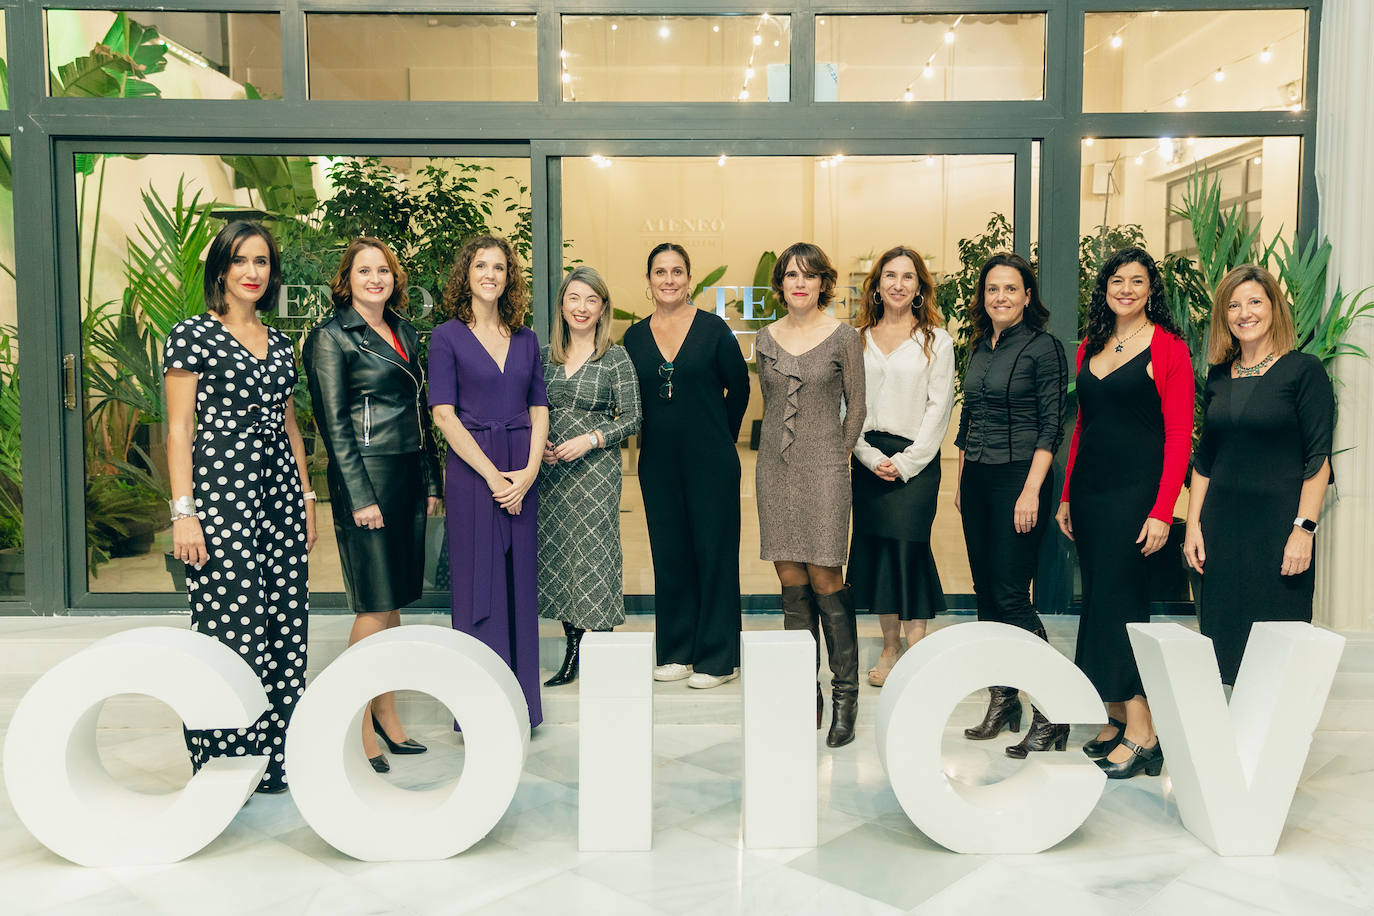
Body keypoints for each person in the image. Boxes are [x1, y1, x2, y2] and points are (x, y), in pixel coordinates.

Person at [164, 220, 316, 793]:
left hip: (277, 491)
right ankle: (226, 762)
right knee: (231, 624)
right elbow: (178, 431)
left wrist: (305, 496)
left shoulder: (280, 343)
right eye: (242, 262)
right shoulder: (191, 336)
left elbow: (290, 426)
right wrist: (184, 512)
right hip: (220, 491)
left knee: (283, 622)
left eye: (262, 263)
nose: (254, 273)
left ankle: (277, 759)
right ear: (222, 270)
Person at [1055, 248, 1193, 779]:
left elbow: (1179, 435)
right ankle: (1114, 714)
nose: (1127, 289)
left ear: (1151, 290)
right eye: (1118, 280)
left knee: (1122, 605)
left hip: (1136, 495)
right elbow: (1084, 427)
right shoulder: (1092, 344)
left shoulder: (1169, 348)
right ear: (1105, 289)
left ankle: (1144, 731)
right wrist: (1067, 495)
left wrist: (1163, 511)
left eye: (1138, 281)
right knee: (1099, 601)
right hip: (1090, 493)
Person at [304, 237, 440, 773]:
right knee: (373, 603)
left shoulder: (404, 331)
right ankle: (355, 720)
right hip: (368, 474)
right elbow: (333, 425)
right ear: (347, 279)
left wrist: (432, 481)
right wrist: (360, 496)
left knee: (394, 601)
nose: (375, 279)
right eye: (365, 271)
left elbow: (421, 411)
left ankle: (387, 712)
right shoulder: (331, 337)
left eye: (383, 270)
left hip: (407, 472)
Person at [1185, 265, 1334, 686]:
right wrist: (1193, 526)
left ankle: (1276, 748)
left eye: (1254, 302)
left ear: (1274, 308)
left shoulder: (1304, 371)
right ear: (1224, 316)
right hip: (1221, 532)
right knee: (1223, 647)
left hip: (1278, 532)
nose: (1244, 313)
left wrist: (1303, 530)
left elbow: (1317, 459)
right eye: (1233, 305)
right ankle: (1235, 743)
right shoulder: (1218, 375)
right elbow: (1205, 458)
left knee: (1276, 649)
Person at [428, 235, 549, 728]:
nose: (490, 274)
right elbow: (443, 415)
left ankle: (522, 707)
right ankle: (479, 711)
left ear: (508, 278)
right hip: (474, 472)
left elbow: (540, 407)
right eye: (481, 265)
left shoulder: (526, 338)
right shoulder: (446, 337)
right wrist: (493, 477)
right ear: (467, 274)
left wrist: (529, 471)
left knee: (520, 583)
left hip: (522, 467)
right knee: (479, 586)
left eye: (499, 267)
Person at [955, 252, 1068, 758]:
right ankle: (1004, 699)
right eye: (992, 289)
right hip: (978, 478)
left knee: (1011, 596)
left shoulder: (1045, 348)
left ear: (1027, 296)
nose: (1000, 297)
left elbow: (1052, 425)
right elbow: (969, 421)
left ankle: (1053, 709)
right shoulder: (979, 346)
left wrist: (1030, 490)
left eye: (1010, 289)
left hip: (1021, 478)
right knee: (986, 595)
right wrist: (961, 482)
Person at [623, 243, 750, 689]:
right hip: (657, 462)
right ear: (649, 280)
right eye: (660, 272)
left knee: (714, 554)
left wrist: (721, 438)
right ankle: (677, 650)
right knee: (670, 554)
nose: (669, 279)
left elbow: (740, 389)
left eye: (677, 271)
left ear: (690, 279)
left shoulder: (714, 330)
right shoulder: (635, 338)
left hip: (712, 461)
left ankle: (718, 657)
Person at [756, 242, 866, 747]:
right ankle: (803, 690)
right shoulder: (764, 338)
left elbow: (858, 408)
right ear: (780, 285)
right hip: (775, 472)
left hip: (825, 469)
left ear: (824, 282)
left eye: (810, 275)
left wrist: (835, 456)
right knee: (789, 574)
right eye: (791, 275)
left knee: (825, 574)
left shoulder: (844, 338)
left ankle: (846, 696)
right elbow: (770, 405)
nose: (800, 283)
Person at [848, 245, 956, 688]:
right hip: (868, 457)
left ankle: (916, 648)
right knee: (877, 550)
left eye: (907, 277)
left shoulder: (937, 340)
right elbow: (845, 406)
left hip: (916, 461)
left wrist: (906, 462)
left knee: (909, 549)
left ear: (919, 287)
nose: (897, 284)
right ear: (876, 286)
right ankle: (890, 646)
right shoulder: (856, 339)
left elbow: (939, 408)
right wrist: (870, 457)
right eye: (889, 276)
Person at [537, 266, 642, 686]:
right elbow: (531, 410)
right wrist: (537, 445)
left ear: (602, 309)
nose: (581, 308)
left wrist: (593, 438)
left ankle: (601, 649)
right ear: (562, 305)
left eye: (591, 300)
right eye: (574, 298)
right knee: (563, 557)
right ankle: (573, 651)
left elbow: (634, 418)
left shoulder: (614, 358)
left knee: (594, 557)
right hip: (550, 472)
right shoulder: (544, 356)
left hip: (595, 473)